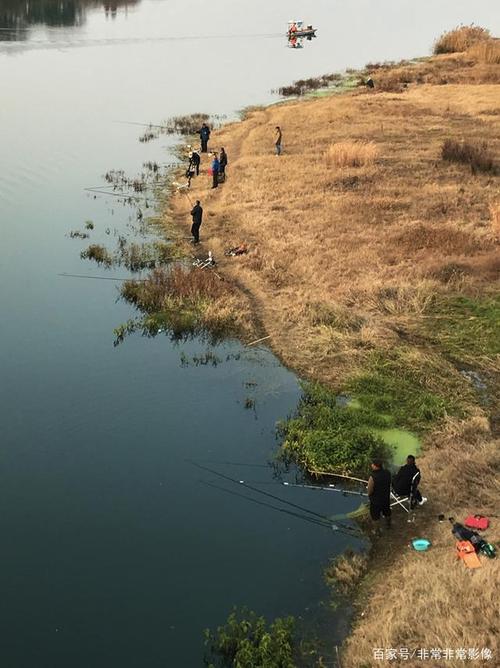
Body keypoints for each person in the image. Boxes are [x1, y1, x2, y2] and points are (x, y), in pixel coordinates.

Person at [367, 458, 391, 529]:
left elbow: (369, 491)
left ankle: (377, 531)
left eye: (372, 464)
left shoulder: (372, 477)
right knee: (387, 512)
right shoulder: (387, 472)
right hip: (386, 498)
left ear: (375, 466)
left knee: (375, 517)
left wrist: (369, 495)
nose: (371, 465)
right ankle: (388, 525)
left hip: (376, 501)